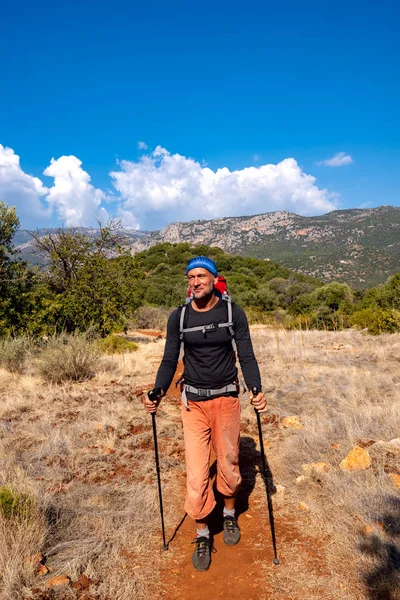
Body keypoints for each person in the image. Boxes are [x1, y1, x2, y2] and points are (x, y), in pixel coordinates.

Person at [143, 256, 268, 571]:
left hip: (226, 399)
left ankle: (228, 515)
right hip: (193, 403)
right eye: (190, 277)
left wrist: (256, 389)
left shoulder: (231, 313)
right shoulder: (179, 317)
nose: (195, 281)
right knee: (198, 474)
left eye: (201, 276)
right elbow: (170, 359)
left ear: (214, 279)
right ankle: (202, 534)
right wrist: (157, 391)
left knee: (228, 465)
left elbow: (247, 354)